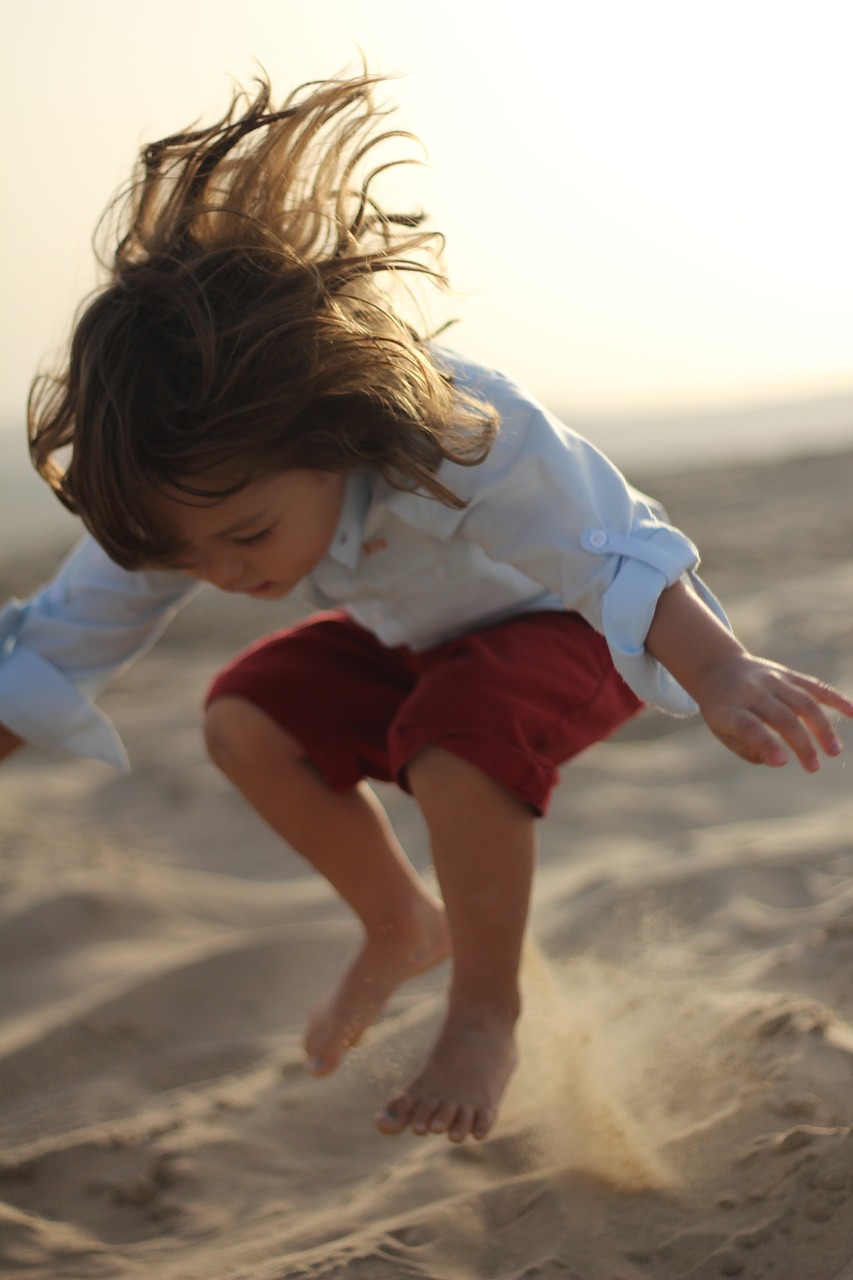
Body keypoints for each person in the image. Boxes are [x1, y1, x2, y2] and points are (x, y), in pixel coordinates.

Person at [0, 72, 850, 1145]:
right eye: (187, 552)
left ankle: (485, 1008)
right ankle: (400, 919)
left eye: (250, 538)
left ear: (325, 428)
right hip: (422, 648)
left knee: (454, 738)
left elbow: (610, 542)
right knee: (242, 715)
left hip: (576, 626)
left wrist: (720, 668)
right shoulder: (196, 494)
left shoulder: (453, 425)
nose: (217, 570)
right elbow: (71, 632)